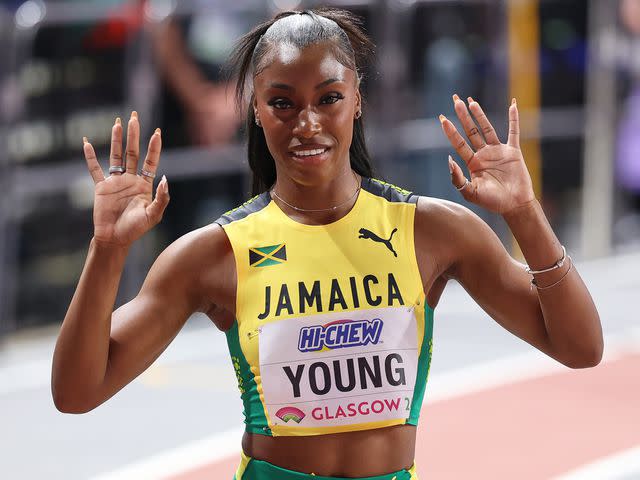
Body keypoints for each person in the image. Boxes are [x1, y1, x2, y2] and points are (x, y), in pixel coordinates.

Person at [51, 8, 603, 480]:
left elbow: (581, 348)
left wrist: (525, 214)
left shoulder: (433, 230)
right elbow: (76, 393)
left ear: (357, 100)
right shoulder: (215, 253)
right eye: (282, 103)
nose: (307, 123)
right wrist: (106, 249)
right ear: (257, 110)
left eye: (329, 98)